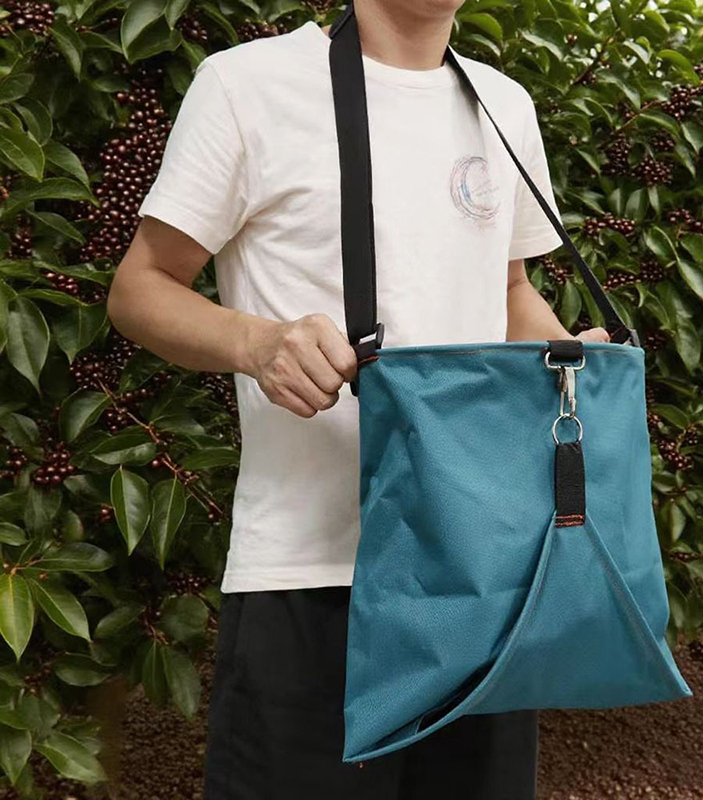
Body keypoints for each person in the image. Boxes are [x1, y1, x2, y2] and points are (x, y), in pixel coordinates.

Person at [108, 0, 610, 796]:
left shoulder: (503, 103)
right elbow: (140, 288)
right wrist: (258, 343)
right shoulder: (247, 85)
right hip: (310, 572)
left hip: (481, 569)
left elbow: (509, 290)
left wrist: (575, 366)